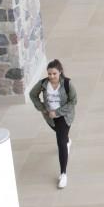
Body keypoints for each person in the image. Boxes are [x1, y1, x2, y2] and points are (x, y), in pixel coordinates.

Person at [28, 59, 78, 189]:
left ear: (60, 72)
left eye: (54, 73)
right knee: (62, 136)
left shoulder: (67, 84)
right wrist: (43, 108)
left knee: (60, 143)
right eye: (49, 74)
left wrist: (58, 112)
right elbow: (32, 95)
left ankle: (63, 174)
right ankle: (67, 140)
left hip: (64, 116)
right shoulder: (43, 84)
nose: (51, 76)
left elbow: (73, 101)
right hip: (50, 118)